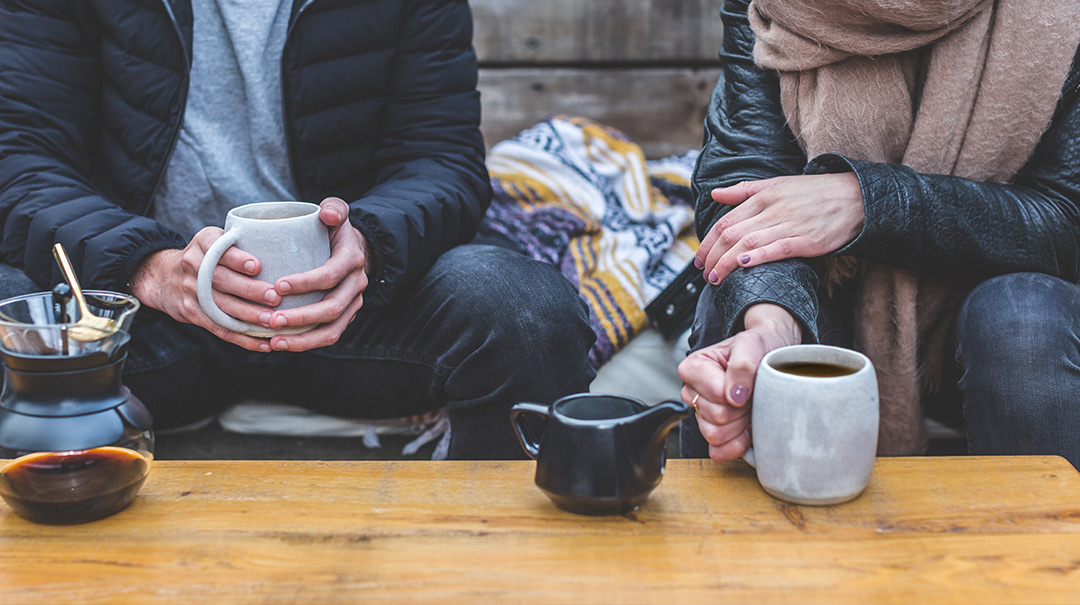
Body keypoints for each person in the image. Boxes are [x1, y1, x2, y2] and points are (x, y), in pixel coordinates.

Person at [0, 0, 596, 459]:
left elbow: (441, 157)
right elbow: (21, 159)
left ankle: (500, 570)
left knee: (526, 314)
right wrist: (145, 268)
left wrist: (367, 245)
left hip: (352, 309)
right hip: (139, 321)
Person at [679, 0, 1080, 466]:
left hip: (974, 322)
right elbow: (743, 183)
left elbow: (1063, 219)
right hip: (834, 299)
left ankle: (1044, 538)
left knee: (1021, 319)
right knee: (730, 313)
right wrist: (772, 324)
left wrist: (867, 203)